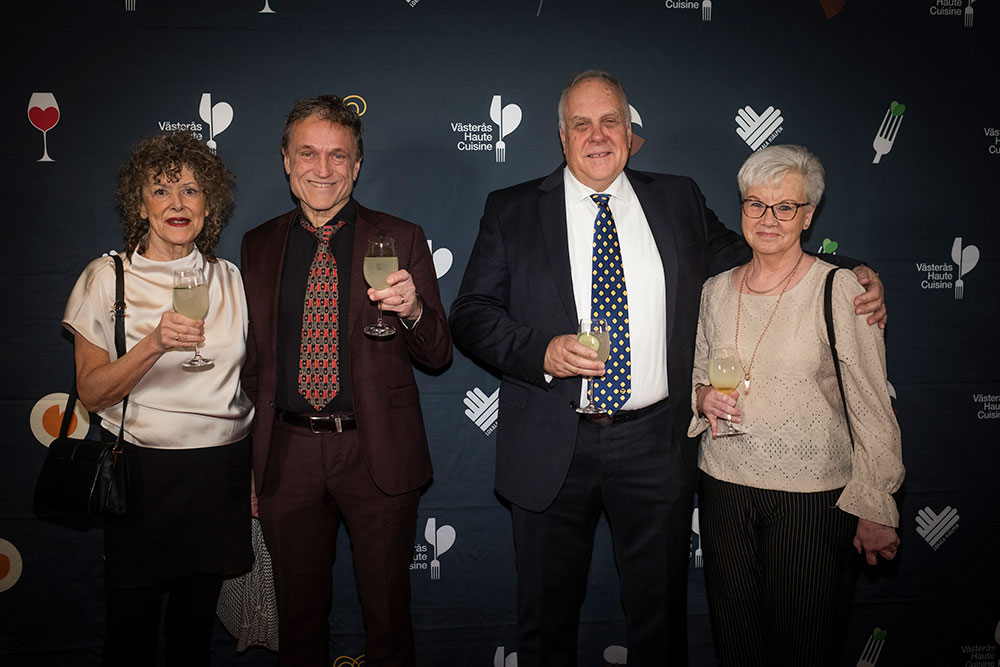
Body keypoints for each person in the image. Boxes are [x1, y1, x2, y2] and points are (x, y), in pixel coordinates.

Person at [449, 70, 886, 666]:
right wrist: (540, 352)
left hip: (655, 445)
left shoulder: (677, 198)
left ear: (629, 132)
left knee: (659, 623)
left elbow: (757, 254)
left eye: (610, 121)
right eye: (582, 124)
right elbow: (471, 313)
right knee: (545, 625)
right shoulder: (513, 209)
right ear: (562, 135)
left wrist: (852, 272)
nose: (597, 135)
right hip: (551, 444)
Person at [240, 95, 451, 667]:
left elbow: (438, 354)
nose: (323, 169)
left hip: (375, 450)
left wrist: (413, 311)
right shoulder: (258, 245)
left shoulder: (401, 237)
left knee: (388, 619)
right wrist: (253, 461)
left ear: (356, 167)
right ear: (286, 161)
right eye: (308, 153)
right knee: (298, 623)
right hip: (287, 454)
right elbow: (253, 365)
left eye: (338, 156)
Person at [689, 144, 904, 667]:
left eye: (785, 207)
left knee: (804, 647)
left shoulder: (840, 289)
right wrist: (701, 396)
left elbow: (872, 404)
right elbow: (697, 373)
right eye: (756, 204)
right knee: (737, 645)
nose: (768, 218)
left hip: (812, 501)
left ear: (808, 216)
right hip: (724, 491)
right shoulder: (715, 291)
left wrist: (876, 501)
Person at [62, 132, 254, 667]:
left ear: (208, 205)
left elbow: (250, 382)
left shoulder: (229, 278)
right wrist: (154, 344)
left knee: (194, 637)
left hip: (218, 474)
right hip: (142, 475)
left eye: (190, 190)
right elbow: (91, 392)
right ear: (140, 203)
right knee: (131, 635)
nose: (177, 203)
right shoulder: (107, 278)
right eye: (161, 190)